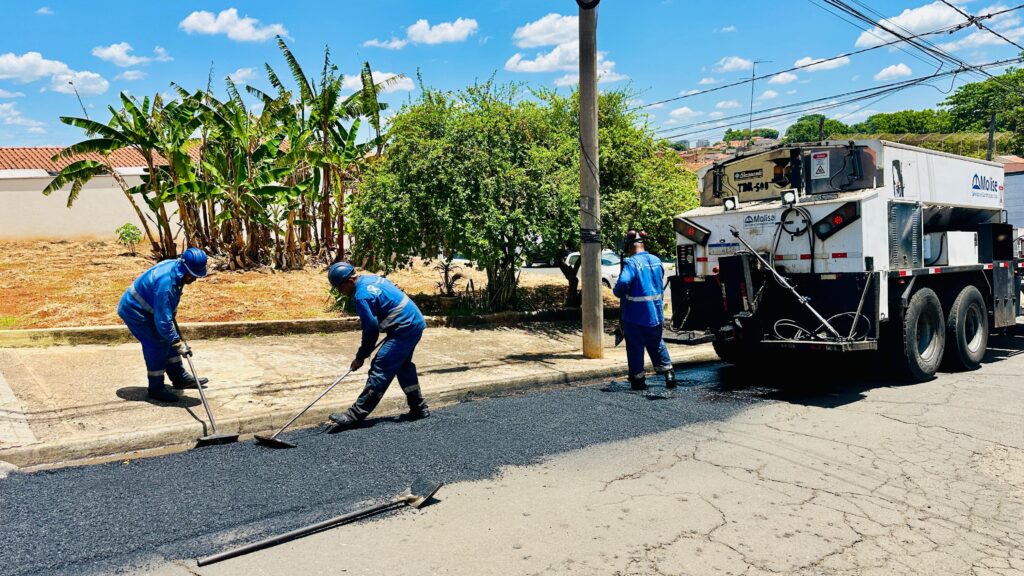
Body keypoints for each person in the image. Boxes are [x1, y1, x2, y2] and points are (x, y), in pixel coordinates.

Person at [327, 262, 429, 429]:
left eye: (340, 288)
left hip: (405, 327)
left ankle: (355, 414)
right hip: (413, 322)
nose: (341, 292)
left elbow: (370, 330)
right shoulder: (371, 278)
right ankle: (418, 407)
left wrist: (360, 357)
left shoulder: (361, 296)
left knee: (381, 365)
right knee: (402, 366)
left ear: (349, 281)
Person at [117, 248, 209, 402]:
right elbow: (163, 321)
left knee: (169, 341)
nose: (194, 279)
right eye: (192, 275)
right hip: (135, 311)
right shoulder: (166, 284)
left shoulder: (176, 268)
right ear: (185, 270)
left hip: (151, 308)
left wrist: (174, 338)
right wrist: (177, 342)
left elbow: (166, 311)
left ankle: (179, 378)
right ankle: (156, 388)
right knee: (158, 345)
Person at [613, 230, 675, 391]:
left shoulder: (631, 263)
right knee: (656, 342)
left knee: (635, 346)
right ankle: (669, 373)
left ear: (629, 247)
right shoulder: (656, 261)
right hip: (656, 314)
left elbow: (623, 283)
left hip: (635, 315)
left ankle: (638, 379)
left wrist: (619, 291)